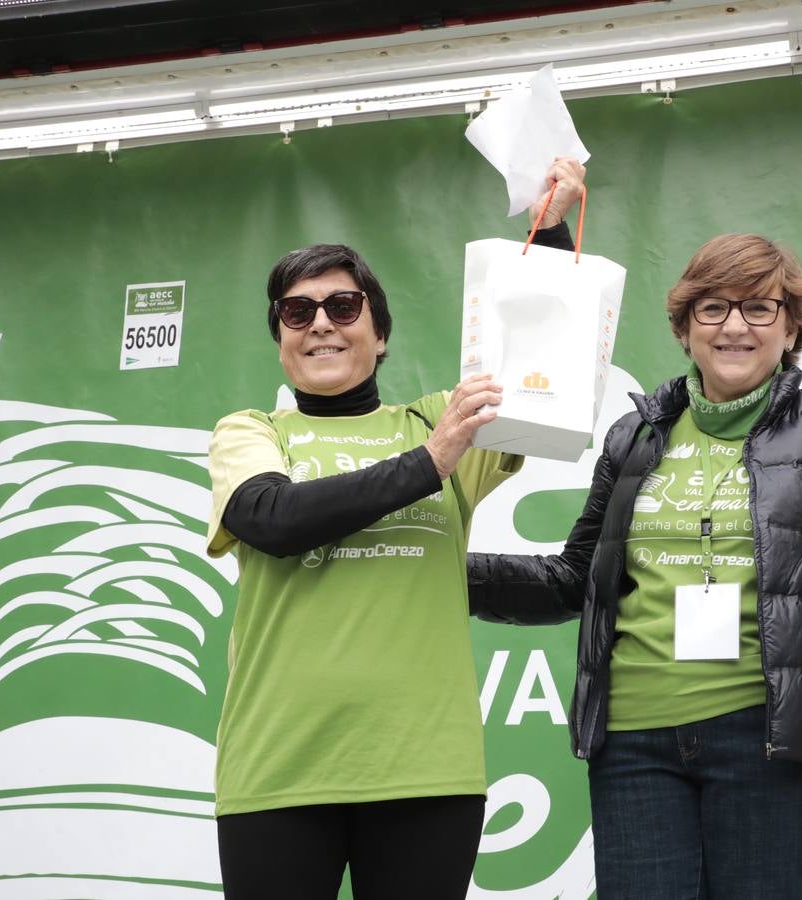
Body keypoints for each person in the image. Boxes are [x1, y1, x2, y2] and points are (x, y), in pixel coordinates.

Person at [469, 233, 802, 898]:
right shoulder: (637, 436)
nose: (735, 326)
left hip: (767, 739)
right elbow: (575, 579)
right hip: (633, 743)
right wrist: (441, 566)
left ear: (791, 327)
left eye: (759, 308)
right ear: (684, 328)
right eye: (712, 308)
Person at [205, 159, 587, 899]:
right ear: (281, 339)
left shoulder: (438, 418)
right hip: (276, 771)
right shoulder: (251, 430)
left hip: (427, 770)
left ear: (379, 335)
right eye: (297, 312)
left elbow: (550, 366)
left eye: (344, 307)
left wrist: (550, 226)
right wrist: (428, 462)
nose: (320, 322)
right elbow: (273, 520)